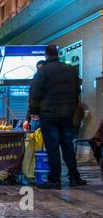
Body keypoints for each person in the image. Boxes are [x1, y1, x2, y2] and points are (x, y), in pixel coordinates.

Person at [29, 45, 86, 189]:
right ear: (58, 54)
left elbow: (35, 92)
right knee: (68, 145)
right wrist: (72, 108)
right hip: (67, 115)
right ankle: (74, 177)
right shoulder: (71, 70)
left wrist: (33, 110)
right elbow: (77, 91)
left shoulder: (43, 72)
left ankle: (55, 179)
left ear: (46, 55)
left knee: (52, 147)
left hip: (49, 115)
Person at [23, 60, 46, 132]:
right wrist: (27, 119)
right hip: (35, 121)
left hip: (47, 121)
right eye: (38, 69)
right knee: (35, 141)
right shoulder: (35, 82)